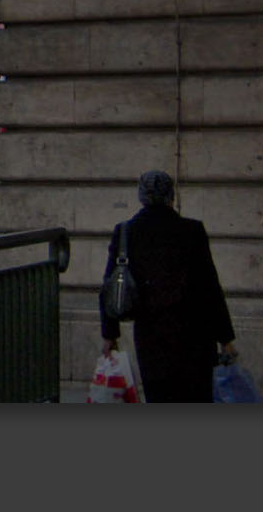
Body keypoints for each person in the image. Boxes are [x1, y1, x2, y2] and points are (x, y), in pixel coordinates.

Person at [99, 170, 236, 403]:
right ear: (171, 196)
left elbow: (109, 287)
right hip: (195, 334)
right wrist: (225, 338)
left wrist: (110, 334)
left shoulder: (125, 232)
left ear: (141, 197)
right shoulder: (192, 230)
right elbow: (210, 288)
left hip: (151, 333)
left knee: (159, 395)